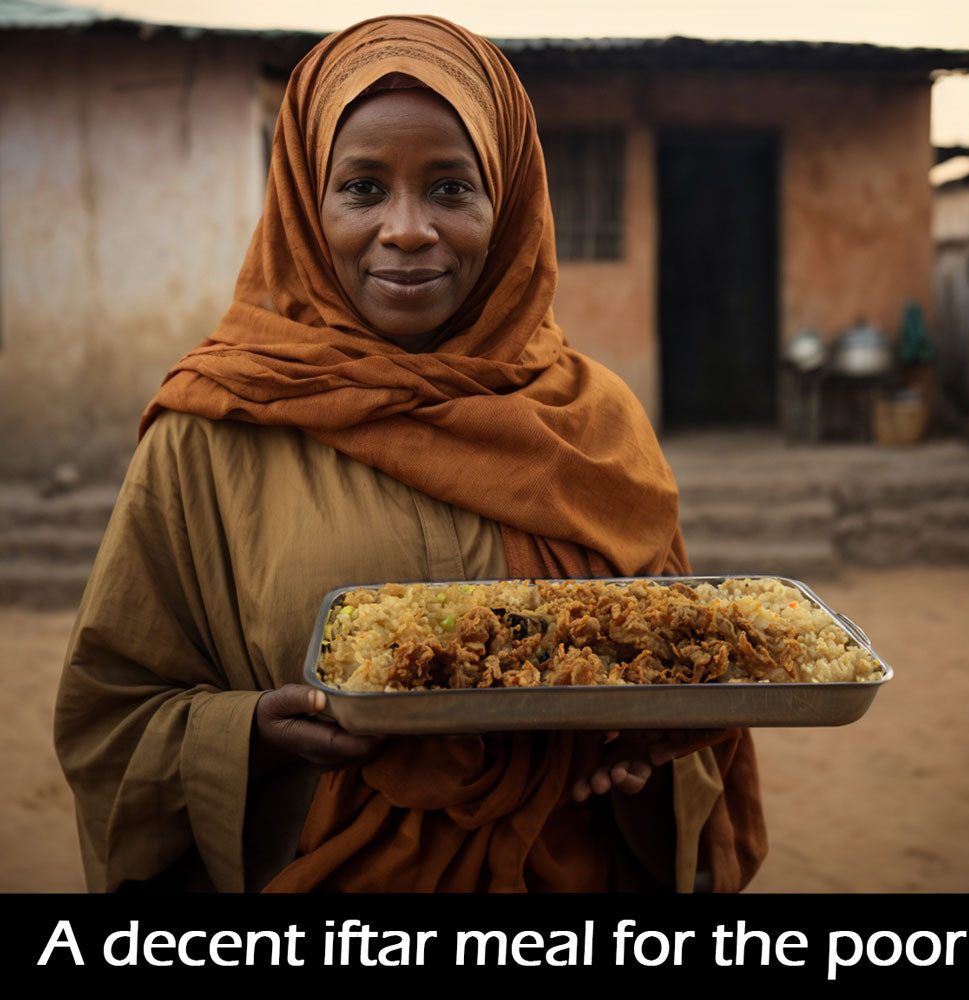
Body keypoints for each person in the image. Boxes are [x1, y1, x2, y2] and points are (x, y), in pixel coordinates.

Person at [55, 14, 766, 893]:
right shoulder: (215, 432)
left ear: (507, 206)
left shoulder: (596, 421)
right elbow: (111, 715)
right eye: (360, 188)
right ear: (303, 208)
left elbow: (679, 672)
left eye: (450, 189)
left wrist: (639, 750)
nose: (407, 229)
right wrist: (250, 735)